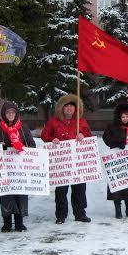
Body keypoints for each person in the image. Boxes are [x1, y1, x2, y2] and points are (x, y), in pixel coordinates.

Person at [41, 94, 92, 224]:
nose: (69, 109)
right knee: (61, 190)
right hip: (62, 162)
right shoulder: (53, 121)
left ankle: (80, 213)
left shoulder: (81, 121)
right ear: (62, 108)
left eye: (71, 106)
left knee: (79, 188)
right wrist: (52, 139)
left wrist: (82, 134)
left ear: (76, 109)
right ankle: (61, 215)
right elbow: (44, 135)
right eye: (66, 106)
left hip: (77, 161)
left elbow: (89, 135)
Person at [0, 101, 36, 232]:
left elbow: (32, 145)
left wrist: (24, 148)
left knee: (20, 193)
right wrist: (0, 146)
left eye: (13, 112)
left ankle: (19, 222)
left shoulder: (23, 127)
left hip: (20, 168)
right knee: (6, 194)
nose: (10, 115)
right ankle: (7, 222)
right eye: (8, 112)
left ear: (16, 114)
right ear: (4, 114)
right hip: (4, 168)